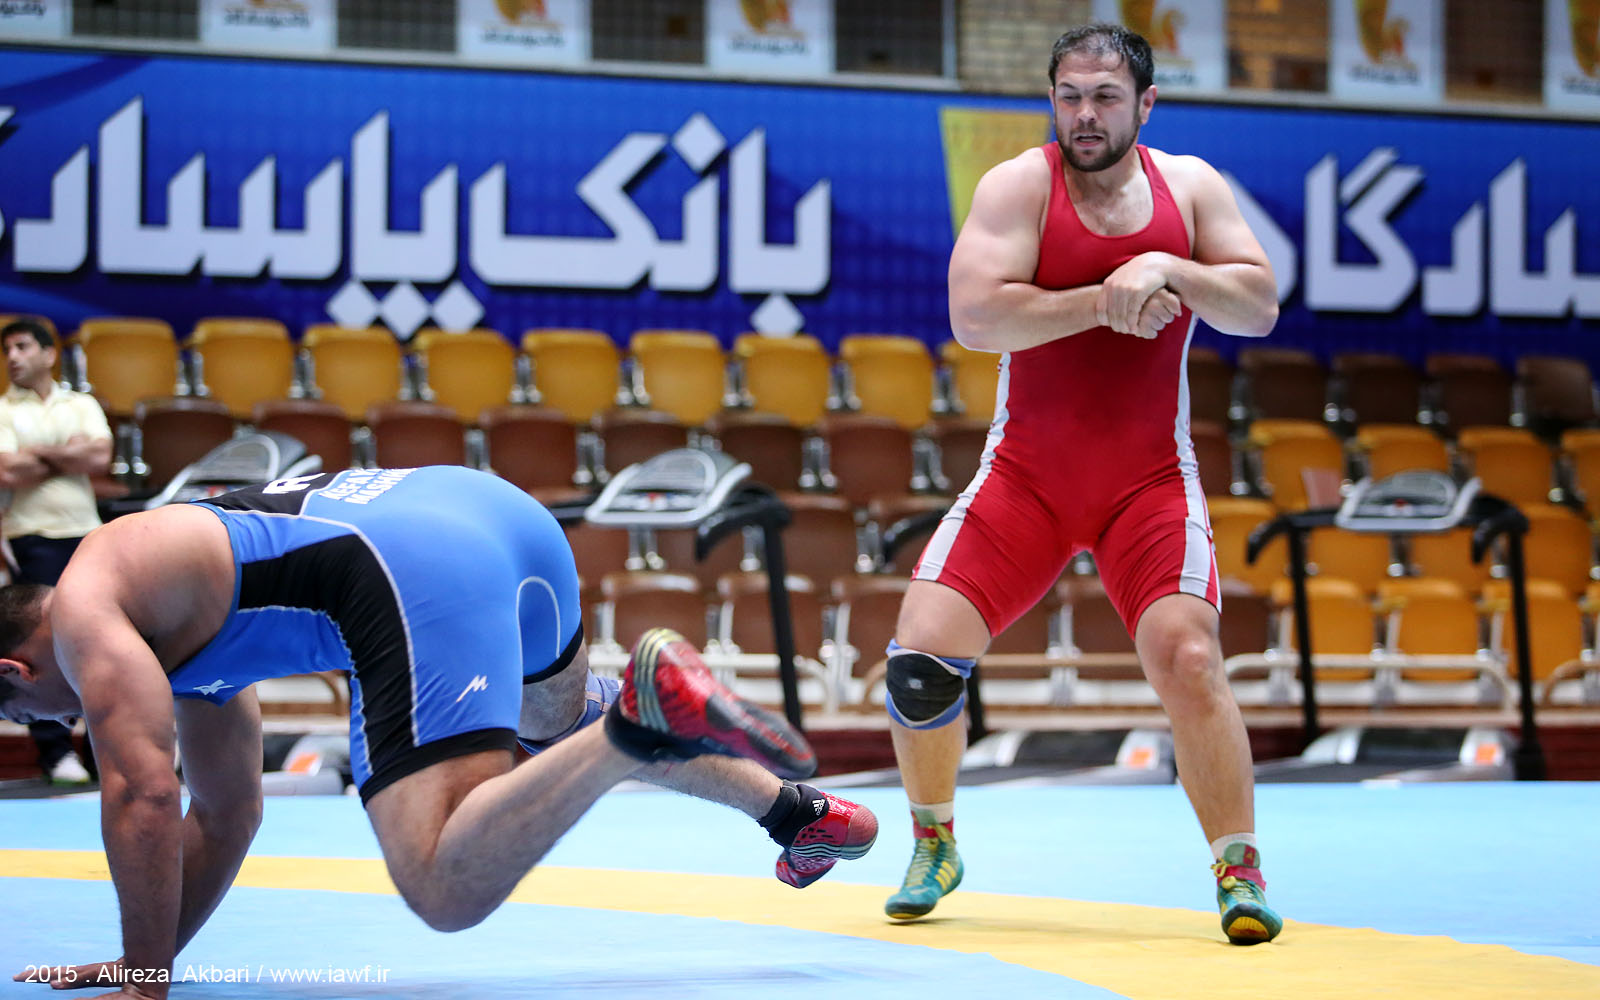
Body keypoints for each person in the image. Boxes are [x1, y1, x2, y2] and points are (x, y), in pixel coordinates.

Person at [0, 465, 877, 998]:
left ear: (14, 674)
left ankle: (638, 726)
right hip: (491, 510)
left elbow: (144, 794)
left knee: (443, 886)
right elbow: (227, 815)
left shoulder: (86, 610)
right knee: (556, 719)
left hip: (401, 565)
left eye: (20, 715)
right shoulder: (158, 615)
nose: (55, 723)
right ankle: (792, 812)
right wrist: (144, 960)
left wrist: (143, 985)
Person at [882, 24, 1282, 944]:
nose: (1085, 115)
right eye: (1069, 96)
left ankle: (1239, 869)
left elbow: (1258, 305)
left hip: (1149, 482)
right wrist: (1103, 300)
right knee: (919, 661)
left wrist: (1170, 266)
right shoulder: (1018, 186)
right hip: (1026, 478)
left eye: (1105, 97)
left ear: (1146, 104)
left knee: (1189, 659)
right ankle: (935, 842)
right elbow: (975, 317)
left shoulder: (1191, 187)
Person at [0, 316, 112, 785]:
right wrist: (67, 453)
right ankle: (56, 752)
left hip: (86, 535)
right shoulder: (3, 409)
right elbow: (8, 471)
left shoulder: (81, 404)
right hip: (31, 536)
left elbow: (100, 458)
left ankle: (106, 748)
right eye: (7, 350)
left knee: (102, 638)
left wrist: (36, 453)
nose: (13, 357)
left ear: (49, 354)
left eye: (23, 347)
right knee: (37, 646)